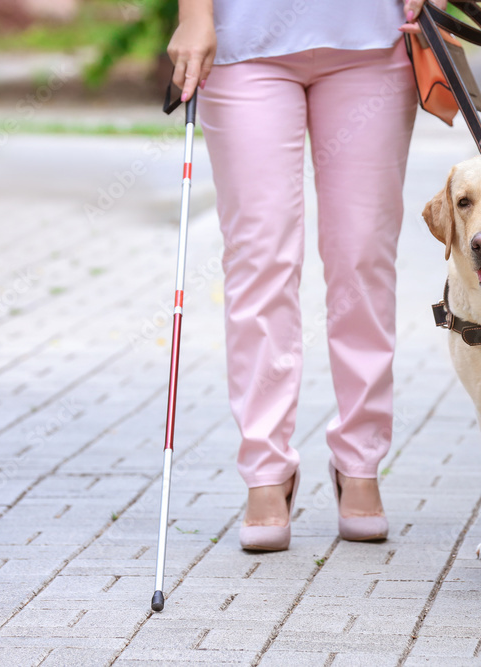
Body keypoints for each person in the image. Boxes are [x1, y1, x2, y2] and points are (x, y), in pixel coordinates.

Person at [167, 0, 442, 551]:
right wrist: (193, 12)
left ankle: (360, 461)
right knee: (258, 257)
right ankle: (267, 469)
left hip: (372, 38)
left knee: (362, 256)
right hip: (242, 42)